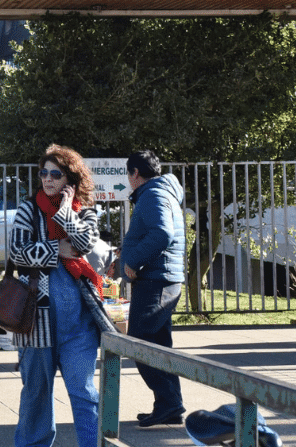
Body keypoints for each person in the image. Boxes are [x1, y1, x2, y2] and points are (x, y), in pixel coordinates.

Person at [9, 144, 112, 447]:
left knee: (85, 394)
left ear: (70, 178)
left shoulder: (87, 212)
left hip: (79, 323)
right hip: (35, 320)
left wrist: (66, 213)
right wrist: (56, 250)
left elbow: (83, 243)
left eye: (56, 173)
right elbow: (17, 252)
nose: (48, 178)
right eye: (44, 172)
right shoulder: (29, 209)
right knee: (36, 395)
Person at [121, 149, 187, 427]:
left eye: (128, 174)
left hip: (156, 281)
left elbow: (162, 233)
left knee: (139, 343)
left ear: (135, 173)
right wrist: (122, 260)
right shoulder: (163, 191)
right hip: (163, 278)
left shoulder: (153, 194)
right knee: (159, 347)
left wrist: (133, 261)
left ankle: (169, 403)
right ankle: (168, 405)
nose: (129, 179)